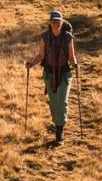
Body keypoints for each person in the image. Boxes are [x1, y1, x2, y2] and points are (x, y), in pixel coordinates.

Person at [26, 9, 79, 145]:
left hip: (64, 74)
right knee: (53, 102)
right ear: (50, 22)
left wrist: (75, 65)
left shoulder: (68, 37)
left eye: (58, 21)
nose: (56, 23)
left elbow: (71, 56)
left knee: (62, 101)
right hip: (49, 74)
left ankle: (60, 131)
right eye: (53, 21)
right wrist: (31, 64)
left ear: (62, 22)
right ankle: (57, 124)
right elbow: (41, 55)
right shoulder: (45, 37)